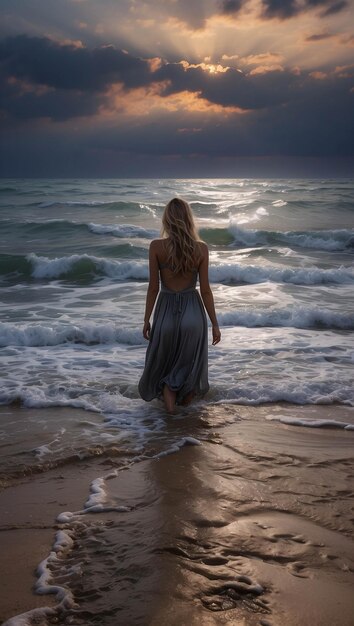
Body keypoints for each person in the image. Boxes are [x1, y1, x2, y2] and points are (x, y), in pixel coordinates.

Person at [138, 197, 221, 413]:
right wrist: (215, 323)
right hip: (193, 313)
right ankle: (181, 412)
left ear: (166, 219)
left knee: (164, 361)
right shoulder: (201, 249)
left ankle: (169, 404)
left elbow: (153, 288)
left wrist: (147, 319)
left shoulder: (156, 247)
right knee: (190, 364)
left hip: (166, 311)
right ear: (188, 219)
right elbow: (205, 290)